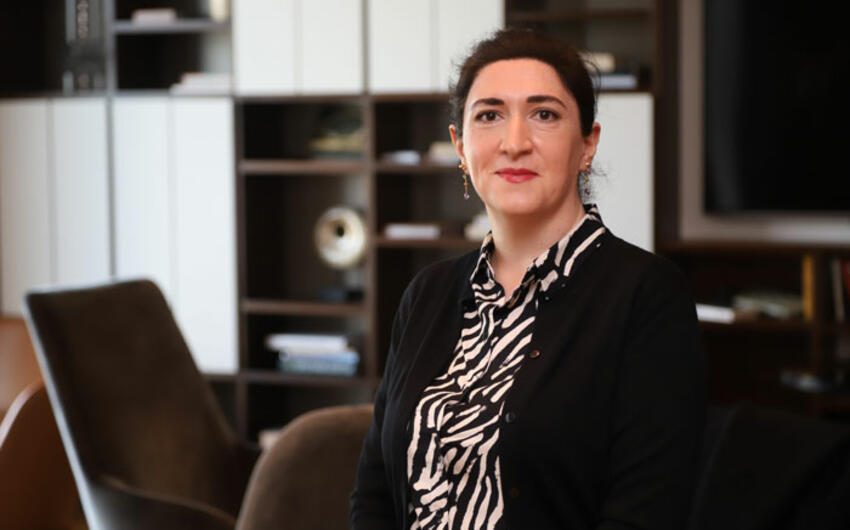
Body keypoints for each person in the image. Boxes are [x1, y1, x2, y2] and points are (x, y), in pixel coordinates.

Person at [350, 28, 705, 530]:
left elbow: (647, 512)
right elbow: (374, 493)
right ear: (459, 145)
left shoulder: (647, 296)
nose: (515, 143)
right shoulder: (426, 293)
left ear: (587, 144)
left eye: (544, 115)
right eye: (489, 116)